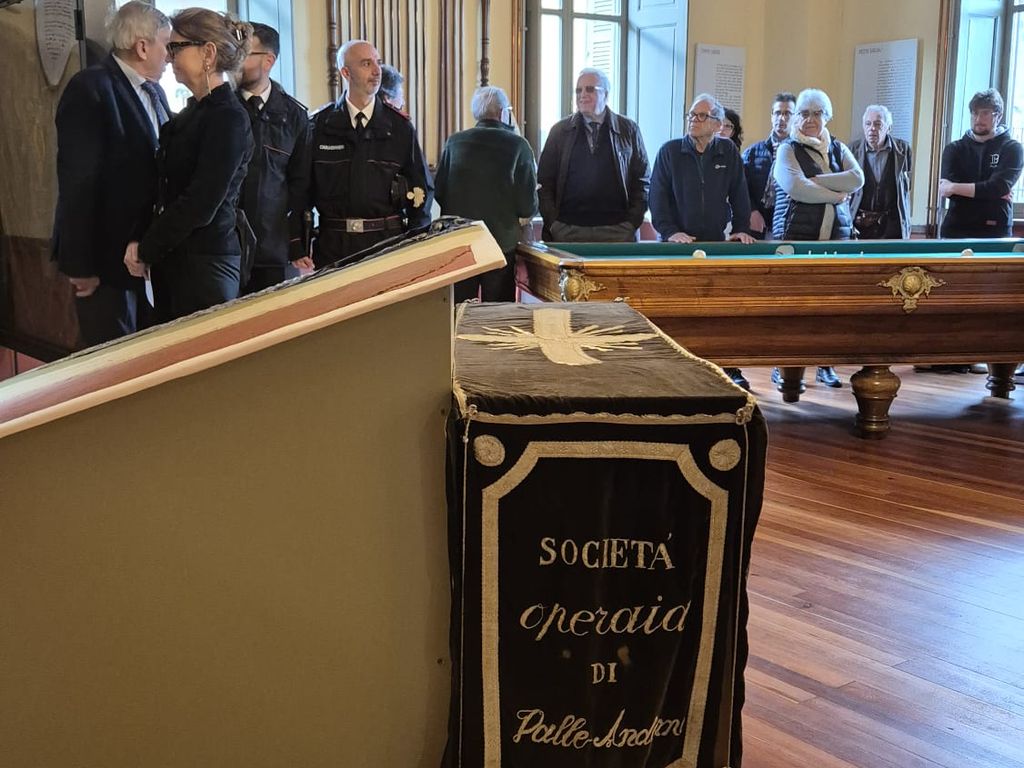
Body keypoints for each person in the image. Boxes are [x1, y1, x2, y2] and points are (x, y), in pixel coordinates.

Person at [52, 1, 170, 347]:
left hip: (144, 255)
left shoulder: (156, 91)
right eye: (167, 44)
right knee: (113, 358)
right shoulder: (90, 88)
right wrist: (81, 266)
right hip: (104, 263)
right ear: (142, 46)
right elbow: (77, 181)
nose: (170, 55)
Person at [124, 8, 254, 322]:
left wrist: (147, 248)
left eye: (176, 47)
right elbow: (166, 190)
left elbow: (201, 202)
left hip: (206, 265)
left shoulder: (228, 117)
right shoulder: (194, 113)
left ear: (208, 53)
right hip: (178, 260)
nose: (169, 57)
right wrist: (142, 240)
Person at [649, 93, 754, 390]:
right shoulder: (670, 151)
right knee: (680, 311)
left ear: (718, 124)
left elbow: (740, 194)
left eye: (701, 116)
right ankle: (678, 369)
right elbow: (657, 198)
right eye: (691, 115)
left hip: (715, 244)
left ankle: (729, 367)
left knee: (721, 310)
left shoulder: (728, 152)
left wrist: (742, 228)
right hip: (677, 247)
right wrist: (670, 232)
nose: (693, 120)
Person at [301, 39, 432, 268]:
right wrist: (299, 243)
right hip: (334, 246)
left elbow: (421, 186)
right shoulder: (319, 126)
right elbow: (302, 188)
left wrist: (417, 240)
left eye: (377, 62)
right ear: (345, 72)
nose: (376, 71)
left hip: (386, 244)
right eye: (366, 63)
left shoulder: (399, 127)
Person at [772, 87, 864, 389]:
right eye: (804, 113)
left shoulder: (837, 147)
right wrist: (836, 195)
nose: (810, 119)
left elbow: (857, 178)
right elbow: (796, 188)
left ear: (827, 117)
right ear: (796, 117)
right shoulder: (787, 149)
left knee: (831, 307)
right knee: (790, 308)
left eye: (817, 113)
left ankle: (826, 365)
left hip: (837, 240)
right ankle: (784, 367)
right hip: (795, 239)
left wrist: (817, 181)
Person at [435, 86, 538, 302]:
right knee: (497, 313)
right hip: (500, 244)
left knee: (460, 309)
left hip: (461, 243)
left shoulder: (454, 143)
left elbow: (440, 192)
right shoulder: (518, 146)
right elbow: (527, 206)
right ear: (503, 113)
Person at [236, 22, 311, 293]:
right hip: (228, 247)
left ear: (268, 61)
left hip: (273, 246)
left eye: (244, 54)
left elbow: (300, 184)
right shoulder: (223, 108)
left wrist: (297, 243)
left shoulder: (294, 115)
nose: (235, 61)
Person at [537, 67, 649, 242]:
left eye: (590, 89)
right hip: (568, 230)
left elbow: (642, 180)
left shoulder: (628, 130)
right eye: (578, 90)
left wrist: (632, 223)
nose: (582, 95)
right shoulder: (560, 132)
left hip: (618, 231)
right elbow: (544, 182)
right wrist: (554, 224)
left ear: (606, 94)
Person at [939, 88, 1023, 239]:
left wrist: (954, 187)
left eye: (985, 113)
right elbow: (947, 193)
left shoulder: (1012, 148)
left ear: (998, 116)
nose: (978, 119)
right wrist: (991, 192)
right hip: (956, 229)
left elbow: (998, 187)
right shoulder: (954, 149)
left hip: (995, 230)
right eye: (974, 113)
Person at [849, 104, 913, 239]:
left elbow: (907, 187)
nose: (872, 128)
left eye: (878, 124)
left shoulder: (903, 149)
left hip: (892, 225)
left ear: (889, 128)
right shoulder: (852, 150)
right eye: (868, 124)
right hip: (860, 224)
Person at [742, 92, 796, 240]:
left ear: (795, 118)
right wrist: (752, 210)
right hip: (758, 226)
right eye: (778, 113)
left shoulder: (800, 151)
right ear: (772, 116)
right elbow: (740, 186)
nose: (781, 118)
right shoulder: (752, 152)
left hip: (789, 225)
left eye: (787, 114)